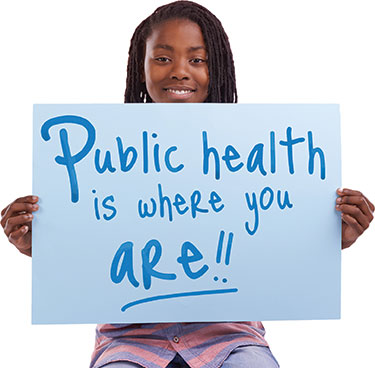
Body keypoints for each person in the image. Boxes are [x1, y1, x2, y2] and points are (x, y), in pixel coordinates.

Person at [1, 1, 374, 367]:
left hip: (230, 339)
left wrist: (326, 240)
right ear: (140, 66)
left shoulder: (253, 150)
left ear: (218, 69)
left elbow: (268, 237)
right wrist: (45, 246)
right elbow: (94, 243)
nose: (180, 71)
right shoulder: (104, 154)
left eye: (197, 60)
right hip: (129, 342)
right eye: (163, 58)